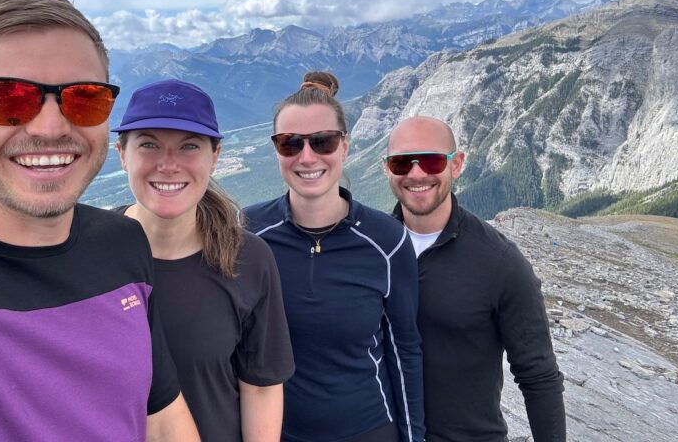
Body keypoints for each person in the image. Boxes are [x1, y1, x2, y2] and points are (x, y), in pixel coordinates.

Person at [0, 0, 199, 442]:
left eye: (84, 98)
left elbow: (162, 418)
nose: (51, 127)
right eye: (7, 98)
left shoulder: (124, 244)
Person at [243, 71, 425, 442]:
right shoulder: (247, 232)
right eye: (290, 143)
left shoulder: (387, 241)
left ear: (345, 146)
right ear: (276, 149)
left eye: (323, 142)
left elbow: (404, 350)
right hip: (276, 432)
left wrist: (414, 438)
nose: (307, 157)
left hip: (369, 429)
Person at [112, 78, 295, 442]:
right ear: (122, 153)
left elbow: (260, 386)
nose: (168, 165)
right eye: (148, 144)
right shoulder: (92, 250)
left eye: (189, 147)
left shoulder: (247, 259)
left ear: (214, 157)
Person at [383, 116, 566, 442]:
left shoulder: (500, 262)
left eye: (432, 160)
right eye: (401, 163)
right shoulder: (371, 248)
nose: (416, 173)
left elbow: (539, 376)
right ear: (387, 169)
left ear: (457, 165)